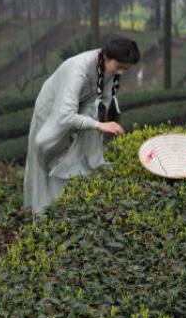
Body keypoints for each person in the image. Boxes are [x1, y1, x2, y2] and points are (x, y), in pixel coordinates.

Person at [24, 37, 140, 214]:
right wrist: (98, 125)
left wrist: (97, 123)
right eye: (120, 67)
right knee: (47, 160)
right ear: (107, 57)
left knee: (73, 157)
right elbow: (65, 115)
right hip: (53, 113)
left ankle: (65, 207)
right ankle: (43, 216)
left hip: (78, 110)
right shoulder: (78, 69)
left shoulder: (108, 69)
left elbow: (102, 100)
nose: (121, 73)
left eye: (126, 69)